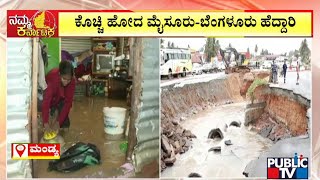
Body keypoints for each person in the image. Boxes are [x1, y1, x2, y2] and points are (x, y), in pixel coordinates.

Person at [39, 61, 76, 132]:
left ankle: (63, 126)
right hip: (48, 96)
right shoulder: (52, 77)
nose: (66, 82)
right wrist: (45, 123)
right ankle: (53, 112)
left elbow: (68, 102)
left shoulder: (72, 81)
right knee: (48, 117)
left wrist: (59, 122)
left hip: (60, 96)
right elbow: (46, 101)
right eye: (64, 79)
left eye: (69, 80)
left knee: (63, 109)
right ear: (59, 74)